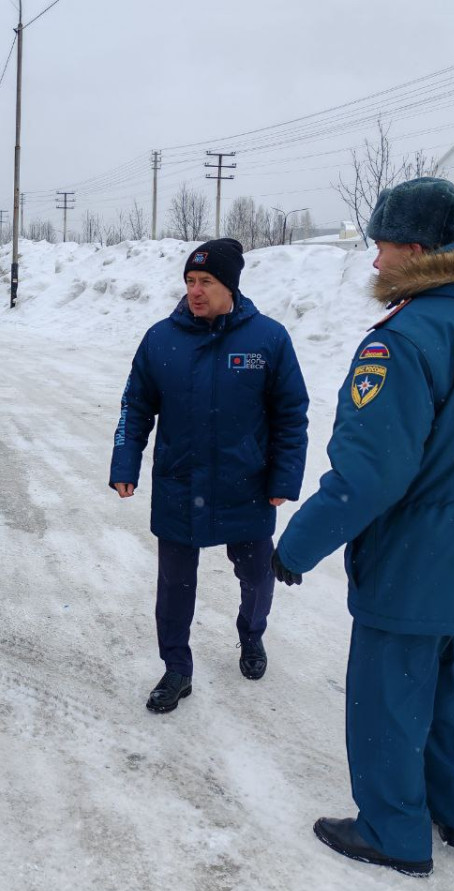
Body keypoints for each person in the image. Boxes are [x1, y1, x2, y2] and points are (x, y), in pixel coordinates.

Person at [272, 178, 454, 877]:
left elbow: (370, 475)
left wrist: (296, 546)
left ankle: (393, 831)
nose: (376, 264)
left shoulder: (408, 338)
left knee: (388, 701)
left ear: (418, 248)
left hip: (417, 565)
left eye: (383, 247)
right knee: (450, 689)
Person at [109, 238, 309, 714]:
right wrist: (125, 463)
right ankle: (177, 667)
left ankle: (251, 634)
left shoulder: (268, 339)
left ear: (230, 287)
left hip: (248, 484)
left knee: (258, 576)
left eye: (207, 282)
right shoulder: (161, 338)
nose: (195, 292)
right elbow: (135, 407)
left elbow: (291, 414)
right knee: (174, 588)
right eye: (190, 281)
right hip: (181, 484)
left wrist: (284, 479)